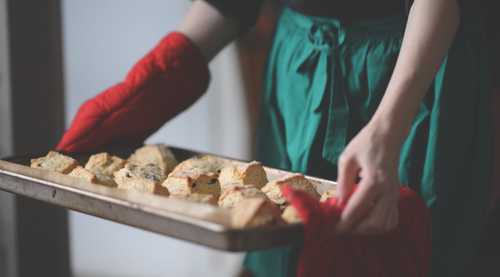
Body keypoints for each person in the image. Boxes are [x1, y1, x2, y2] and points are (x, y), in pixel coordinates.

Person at [57, 0, 495, 276]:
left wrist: (388, 127)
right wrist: (162, 73)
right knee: (287, 249)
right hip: (299, 73)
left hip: (411, 73)